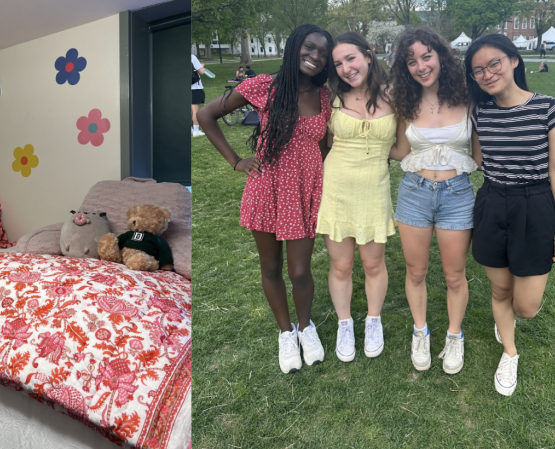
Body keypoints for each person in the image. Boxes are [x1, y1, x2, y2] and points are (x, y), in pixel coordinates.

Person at [197, 24, 334, 373]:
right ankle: (285, 333)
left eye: (322, 52)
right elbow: (206, 114)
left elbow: (322, 145)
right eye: (309, 47)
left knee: (300, 271)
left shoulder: (324, 96)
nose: (315, 56)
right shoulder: (264, 86)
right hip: (267, 188)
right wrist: (236, 161)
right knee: (271, 268)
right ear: (294, 47)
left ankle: (306, 328)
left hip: (303, 191)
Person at [465, 34, 555, 396]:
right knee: (500, 288)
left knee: (526, 306)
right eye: (478, 70)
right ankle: (510, 351)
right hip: (493, 202)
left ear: (514, 61)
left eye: (494, 63)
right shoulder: (479, 113)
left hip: (535, 204)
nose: (487, 73)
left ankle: (511, 319)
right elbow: (477, 161)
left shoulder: (548, 109)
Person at [388, 27, 477, 374]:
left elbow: (483, 156)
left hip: (457, 194)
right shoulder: (403, 103)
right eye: (412, 61)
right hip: (414, 192)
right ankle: (420, 331)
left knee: (455, 276)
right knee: (416, 271)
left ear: (440, 55)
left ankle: (454, 336)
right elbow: (398, 150)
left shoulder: (469, 97)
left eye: (427, 56)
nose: (421, 66)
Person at [316, 32, 396, 362]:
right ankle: (345, 323)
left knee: (373, 263)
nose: (346, 68)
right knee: (341, 265)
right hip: (337, 189)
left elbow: (404, 145)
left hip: (375, 187)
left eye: (351, 58)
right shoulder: (330, 97)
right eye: (338, 63)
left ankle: (373, 320)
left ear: (368, 54)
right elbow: (320, 142)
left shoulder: (395, 96)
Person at [191, 54, 206, 137]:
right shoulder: (191, 57)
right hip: (194, 87)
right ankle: (196, 131)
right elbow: (202, 71)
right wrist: (201, 66)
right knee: (195, 110)